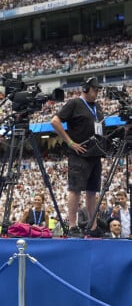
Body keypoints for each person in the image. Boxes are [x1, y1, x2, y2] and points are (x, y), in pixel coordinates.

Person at [50, 76, 105, 237]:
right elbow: (55, 121)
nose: (97, 92)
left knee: (92, 191)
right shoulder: (74, 103)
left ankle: (92, 226)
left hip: (95, 154)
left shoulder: (97, 106)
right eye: (95, 89)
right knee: (75, 190)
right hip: (79, 154)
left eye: (98, 89)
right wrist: (70, 142)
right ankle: (72, 226)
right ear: (86, 89)